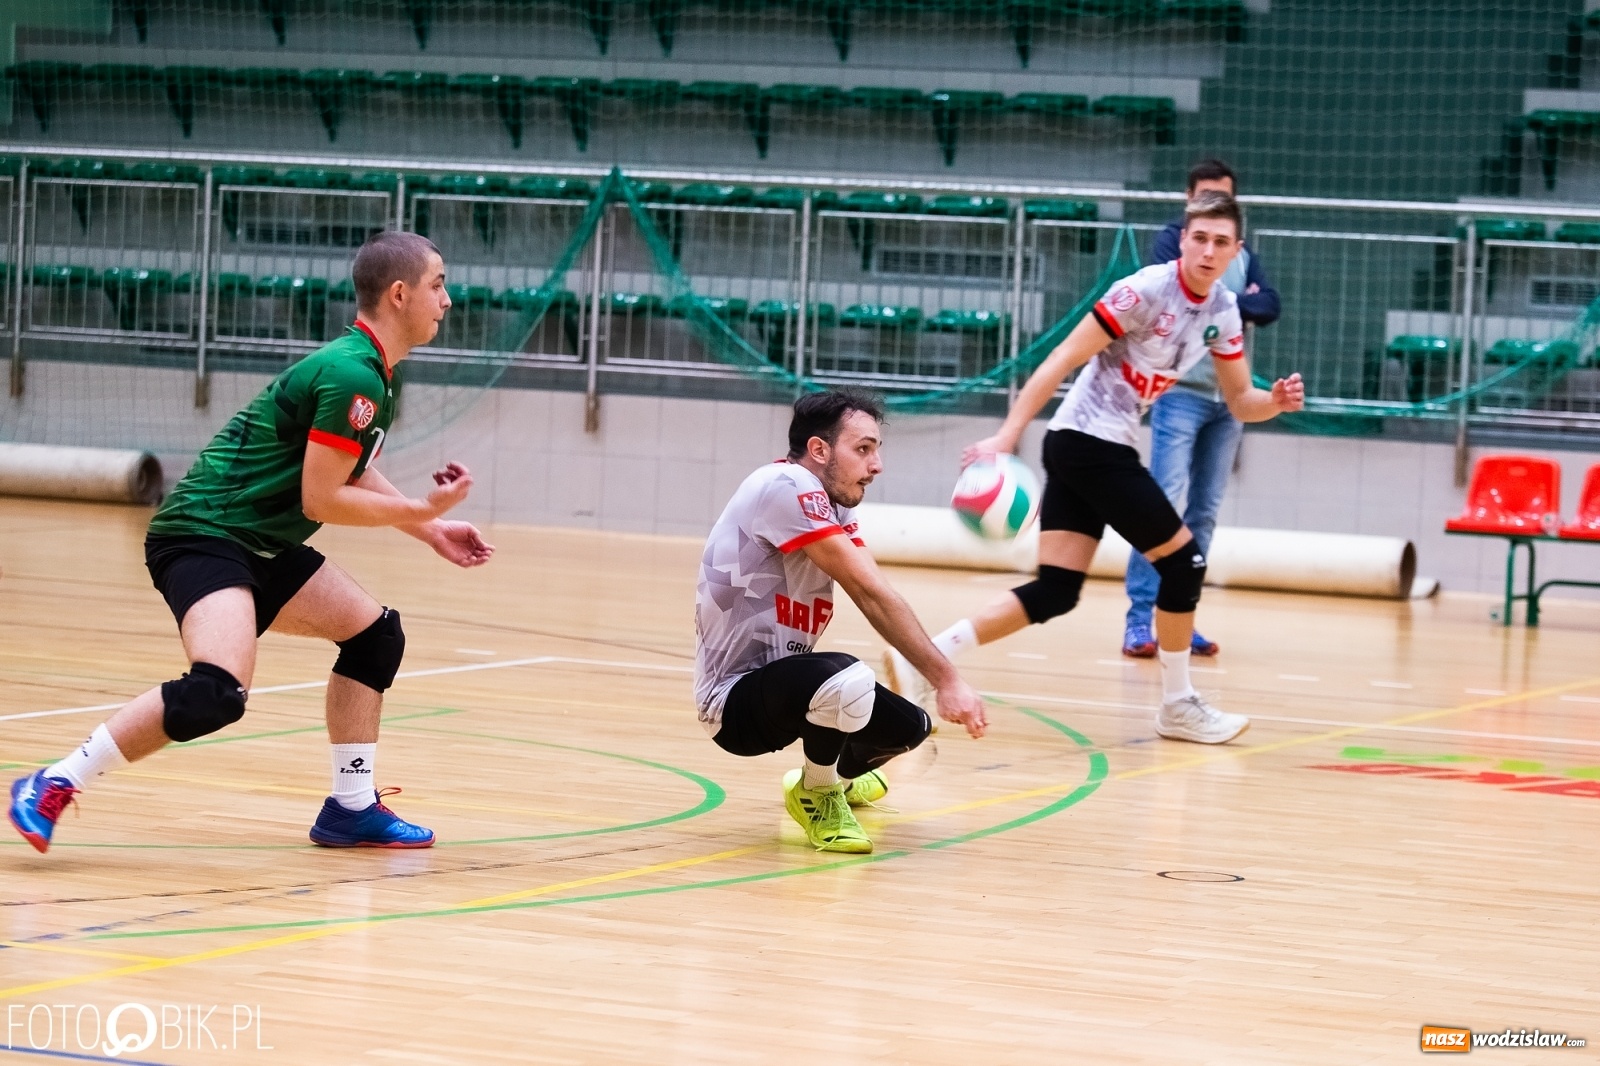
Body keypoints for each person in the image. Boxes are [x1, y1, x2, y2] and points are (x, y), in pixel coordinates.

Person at [8, 231, 495, 854]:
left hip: (261, 542)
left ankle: (350, 808)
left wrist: (431, 531)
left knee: (375, 635)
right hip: (205, 535)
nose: (448, 299)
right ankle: (52, 783)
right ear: (399, 294)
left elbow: (345, 470)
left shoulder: (373, 372)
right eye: (438, 284)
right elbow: (324, 501)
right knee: (217, 692)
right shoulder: (353, 373)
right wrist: (422, 506)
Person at [885, 192, 1303, 745]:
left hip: (1092, 447)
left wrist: (1274, 401)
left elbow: (1241, 400)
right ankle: (1178, 705)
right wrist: (1007, 437)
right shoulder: (1145, 290)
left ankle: (922, 661)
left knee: (1056, 590)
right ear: (1183, 239)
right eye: (1199, 238)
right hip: (1088, 443)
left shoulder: (1223, 311)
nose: (1207, 250)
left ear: (1236, 252)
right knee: (1183, 565)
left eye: (1220, 242)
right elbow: (1063, 357)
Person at [694, 388, 986, 854]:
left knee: (911, 727)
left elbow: (875, 591)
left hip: (785, 691)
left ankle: (839, 778)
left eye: (876, 450)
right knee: (848, 679)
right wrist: (946, 675)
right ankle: (819, 791)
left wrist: (940, 678)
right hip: (733, 704)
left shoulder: (835, 504)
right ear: (818, 450)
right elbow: (870, 594)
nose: (876, 465)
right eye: (863, 449)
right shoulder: (786, 487)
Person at [1123, 159, 1281, 658]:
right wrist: (1234, 300)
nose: (1209, 249)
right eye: (1207, 195)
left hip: (1229, 398)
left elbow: (1270, 304)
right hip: (1181, 392)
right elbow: (1194, 295)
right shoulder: (1173, 241)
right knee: (1162, 504)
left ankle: (1180, 616)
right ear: (1189, 199)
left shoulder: (1241, 252)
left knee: (1205, 513)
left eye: (1225, 198)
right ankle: (1138, 620)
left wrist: (1225, 298)